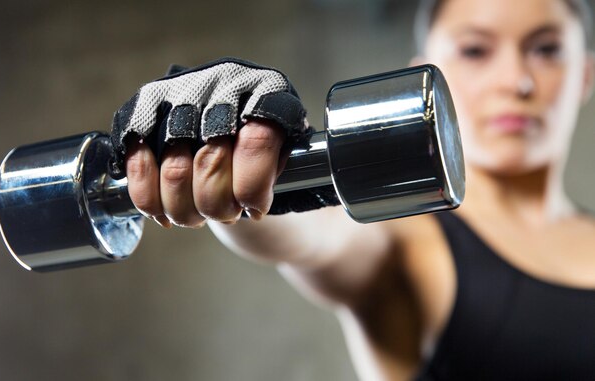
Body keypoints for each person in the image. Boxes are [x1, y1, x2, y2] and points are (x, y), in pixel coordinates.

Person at [113, 0, 595, 379]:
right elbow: (308, 237)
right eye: (475, 50)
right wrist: (234, 138)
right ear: (426, 69)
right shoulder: (404, 240)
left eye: (547, 48)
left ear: (586, 75)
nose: (517, 80)